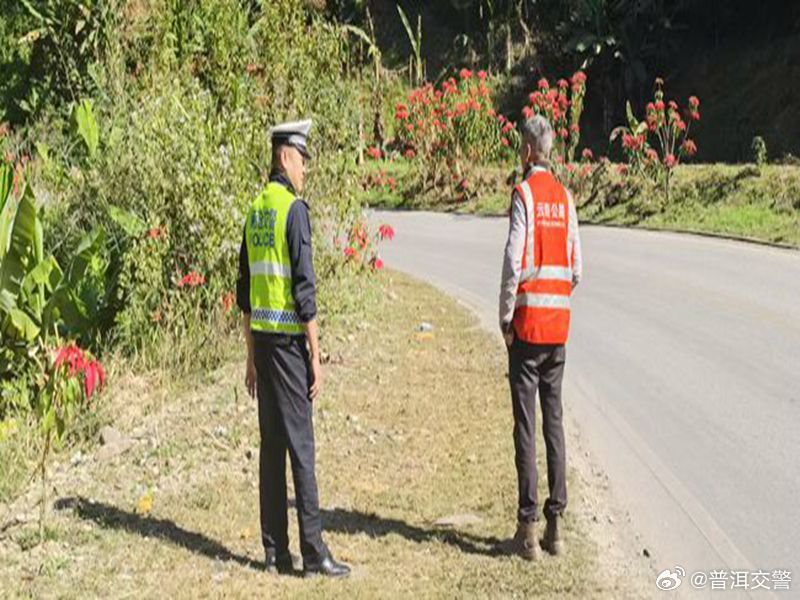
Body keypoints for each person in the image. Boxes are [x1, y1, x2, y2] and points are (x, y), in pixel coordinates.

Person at [236, 119, 350, 578]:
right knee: (301, 446)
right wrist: (316, 355)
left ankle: (274, 552)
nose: (304, 170)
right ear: (285, 156)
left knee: (272, 448)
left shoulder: (255, 208)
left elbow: (244, 293)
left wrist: (248, 358)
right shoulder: (292, 210)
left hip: (262, 344)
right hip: (286, 346)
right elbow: (305, 290)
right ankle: (314, 552)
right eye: (302, 160)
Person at [498, 114, 583, 561]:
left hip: (528, 329)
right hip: (559, 332)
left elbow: (514, 261)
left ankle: (528, 529)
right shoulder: (566, 198)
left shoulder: (525, 195)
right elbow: (577, 269)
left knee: (526, 426)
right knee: (554, 422)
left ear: (528, 152)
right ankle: (557, 527)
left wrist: (505, 316)